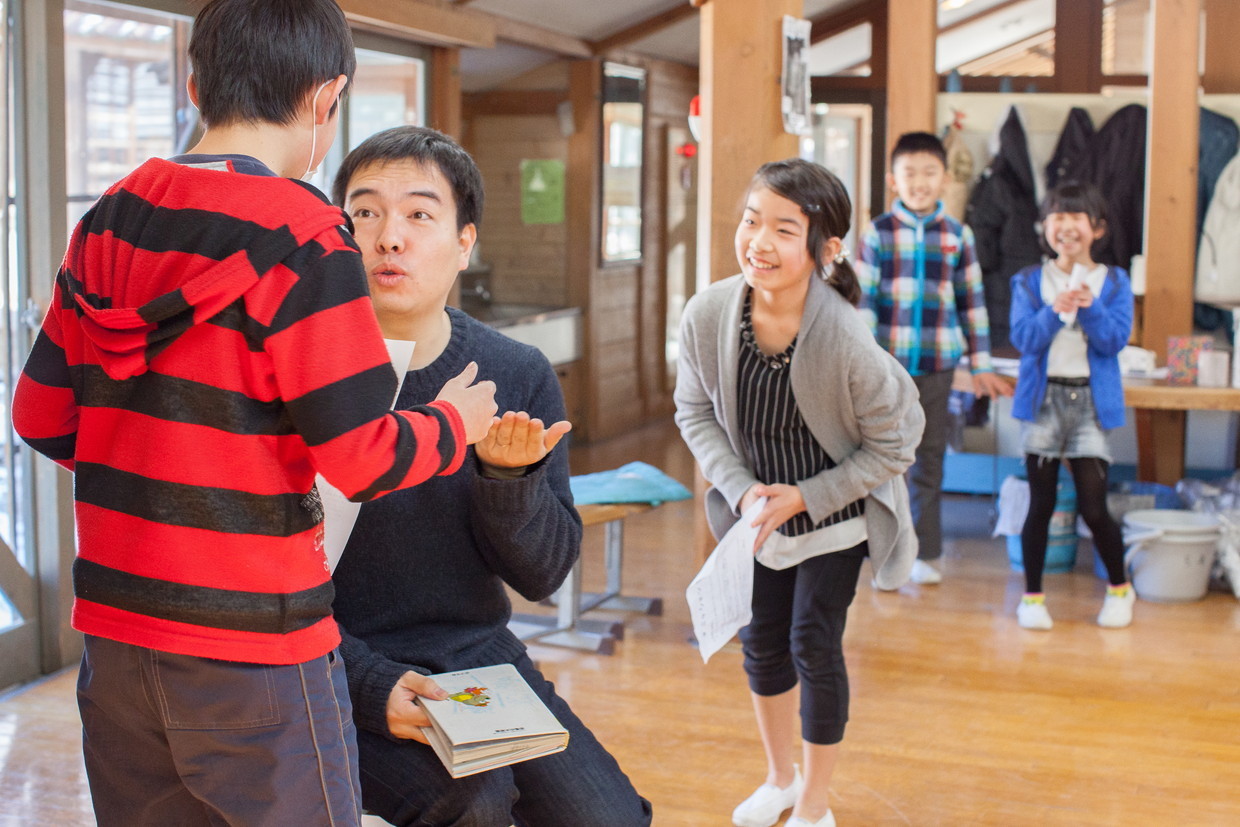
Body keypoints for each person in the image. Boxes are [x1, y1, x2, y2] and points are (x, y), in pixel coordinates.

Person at [10, 3, 498, 825]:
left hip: (118, 638)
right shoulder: (309, 236)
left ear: (196, 83)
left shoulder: (109, 218)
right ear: (327, 96)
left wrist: (156, 464)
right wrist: (454, 423)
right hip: (256, 649)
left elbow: (42, 415)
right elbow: (361, 456)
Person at [329, 126, 653, 827]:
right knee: (473, 802)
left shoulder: (515, 373)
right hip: (333, 665)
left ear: (464, 240)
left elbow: (545, 574)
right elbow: (267, 580)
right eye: (364, 212)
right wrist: (367, 681)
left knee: (610, 817)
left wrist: (508, 481)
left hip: (476, 657)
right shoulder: (306, 374)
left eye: (419, 214)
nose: (389, 237)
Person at [674, 159, 925, 827]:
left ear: (826, 249)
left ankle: (814, 805)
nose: (759, 241)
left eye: (785, 229)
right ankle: (779, 779)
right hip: (758, 512)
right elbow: (693, 412)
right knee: (760, 639)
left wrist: (804, 496)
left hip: (834, 514)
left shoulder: (844, 338)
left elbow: (896, 443)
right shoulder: (707, 314)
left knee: (813, 639)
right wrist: (744, 489)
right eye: (753, 221)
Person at [858, 131, 1013, 586]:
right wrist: (864, 363)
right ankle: (883, 552)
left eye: (929, 173)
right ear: (894, 180)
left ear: (944, 179)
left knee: (929, 460)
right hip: (887, 368)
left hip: (939, 366)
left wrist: (980, 363)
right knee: (882, 461)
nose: (919, 182)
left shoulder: (957, 235)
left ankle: (923, 553)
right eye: (910, 174)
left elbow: (973, 302)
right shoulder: (879, 231)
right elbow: (864, 302)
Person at [1009, 181, 1135, 630]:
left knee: (1094, 506)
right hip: (1043, 399)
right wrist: (1052, 310)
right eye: (1057, 217)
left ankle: (1121, 589)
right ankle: (1032, 599)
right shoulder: (1027, 280)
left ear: (1096, 228)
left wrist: (1089, 307)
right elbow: (1024, 340)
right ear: (1045, 226)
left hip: (1091, 403)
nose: (1066, 226)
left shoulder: (1116, 281)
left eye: (1077, 217)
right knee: (1039, 505)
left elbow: (1113, 341)